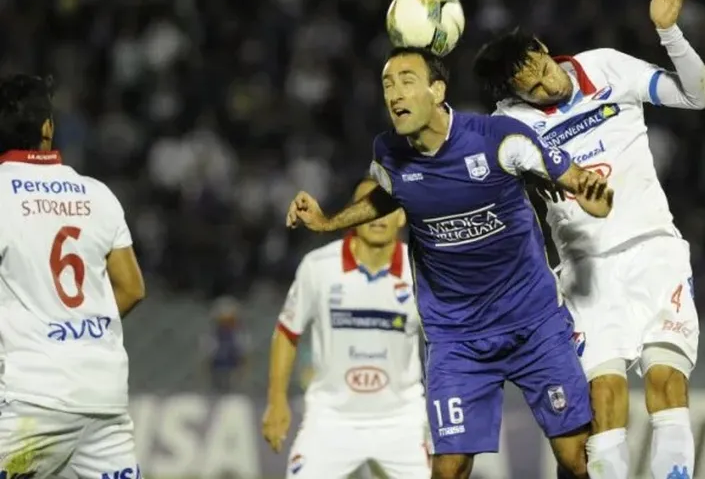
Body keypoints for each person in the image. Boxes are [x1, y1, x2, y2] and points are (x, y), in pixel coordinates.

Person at [286, 46, 615, 479]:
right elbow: (388, 194)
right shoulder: (388, 153)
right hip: (457, 338)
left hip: (533, 323)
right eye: (387, 85)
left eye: (406, 81)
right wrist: (328, 222)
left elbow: (570, 176)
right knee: (449, 469)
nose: (394, 94)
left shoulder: (498, 138)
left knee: (576, 459)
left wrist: (591, 194)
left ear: (437, 90)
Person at [471, 0, 705, 479]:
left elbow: (701, 96)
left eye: (543, 67)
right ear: (512, 95)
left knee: (667, 384)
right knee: (604, 400)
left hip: (654, 248)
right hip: (586, 271)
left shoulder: (605, 66)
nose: (548, 84)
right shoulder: (508, 126)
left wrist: (669, 32)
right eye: (532, 87)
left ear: (543, 47)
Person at [0, 74, 146, 478]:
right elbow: (132, 288)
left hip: (32, 400)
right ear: (47, 128)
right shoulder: (97, 193)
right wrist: (75, 330)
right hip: (103, 399)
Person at [262, 177, 429, 479]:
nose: (377, 216)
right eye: (367, 206)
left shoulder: (421, 271)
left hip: (402, 421)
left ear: (402, 216)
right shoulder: (319, 266)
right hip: (331, 419)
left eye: (386, 207)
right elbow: (287, 331)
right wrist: (276, 401)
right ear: (353, 213)